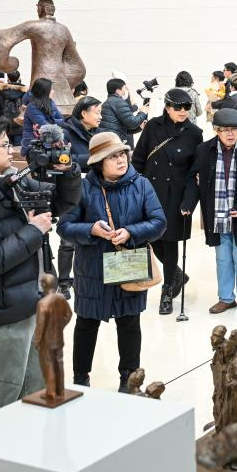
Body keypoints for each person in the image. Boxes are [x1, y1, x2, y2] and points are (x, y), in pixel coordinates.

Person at [0, 119, 81, 417]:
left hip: (36, 299)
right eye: (4, 144)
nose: (11, 149)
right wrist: (34, 230)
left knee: (37, 389)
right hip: (7, 308)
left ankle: (25, 443)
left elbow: (61, 203)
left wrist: (67, 171)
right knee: (1, 391)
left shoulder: (15, 181)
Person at [57, 132, 165, 391]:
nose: (120, 160)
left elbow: (159, 222)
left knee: (129, 323)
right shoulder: (83, 188)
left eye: (122, 154)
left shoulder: (142, 184)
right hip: (91, 268)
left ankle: (129, 379)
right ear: (98, 163)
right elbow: (64, 227)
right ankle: (80, 378)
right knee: (86, 324)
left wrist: (131, 232)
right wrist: (91, 229)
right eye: (112, 156)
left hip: (128, 264)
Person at [183, 109, 237, 314]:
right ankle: (226, 298)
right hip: (217, 214)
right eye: (225, 130)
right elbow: (193, 179)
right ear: (216, 130)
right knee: (222, 259)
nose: (231, 134)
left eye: (235, 129)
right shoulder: (204, 150)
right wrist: (188, 203)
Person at [132, 88, 203, 315]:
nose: (183, 111)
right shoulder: (153, 126)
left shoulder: (194, 133)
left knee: (170, 242)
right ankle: (177, 274)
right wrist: (134, 190)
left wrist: (189, 201)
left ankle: (167, 290)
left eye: (187, 107)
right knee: (152, 239)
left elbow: (194, 173)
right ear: (167, 107)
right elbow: (138, 159)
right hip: (151, 194)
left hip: (176, 196)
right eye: (178, 107)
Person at [57, 95, 103, 298]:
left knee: (92, 233)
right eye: (97, 112)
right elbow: (64, 159)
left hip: (94, 188)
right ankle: (63, 282)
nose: (100, 116)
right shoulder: (65, 131)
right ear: (84, 113)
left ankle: (84, 278)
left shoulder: (99, 132)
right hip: (70, 189)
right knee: (68, 239)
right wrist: (93, 158)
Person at [20, 77, 65, 158]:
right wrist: (57, 123)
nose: (53, 91)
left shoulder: (50, 103)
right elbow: (44, 126)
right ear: (44, 91)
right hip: (34, 145)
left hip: (48, 143)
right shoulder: (32, 106)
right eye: (51, 89)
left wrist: (56, 122)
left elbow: (61, 119)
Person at [101, 78, 150, 148]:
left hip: (109, 141)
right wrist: (143, 112)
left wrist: (139, 127)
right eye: (124, 88)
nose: (126, 90)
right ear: (118, 91)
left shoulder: (108, 102)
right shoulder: (119, 102)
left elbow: (122, 128)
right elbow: (132, 123)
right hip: (114, 142)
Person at [0, 70, 27, 146]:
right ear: (19, 78)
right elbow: (27, 109)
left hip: (5, 126)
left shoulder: (1, 92)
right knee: (19, 150)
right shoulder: (24, 93)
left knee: (7, 149)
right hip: (20, 125)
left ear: (8, 78)